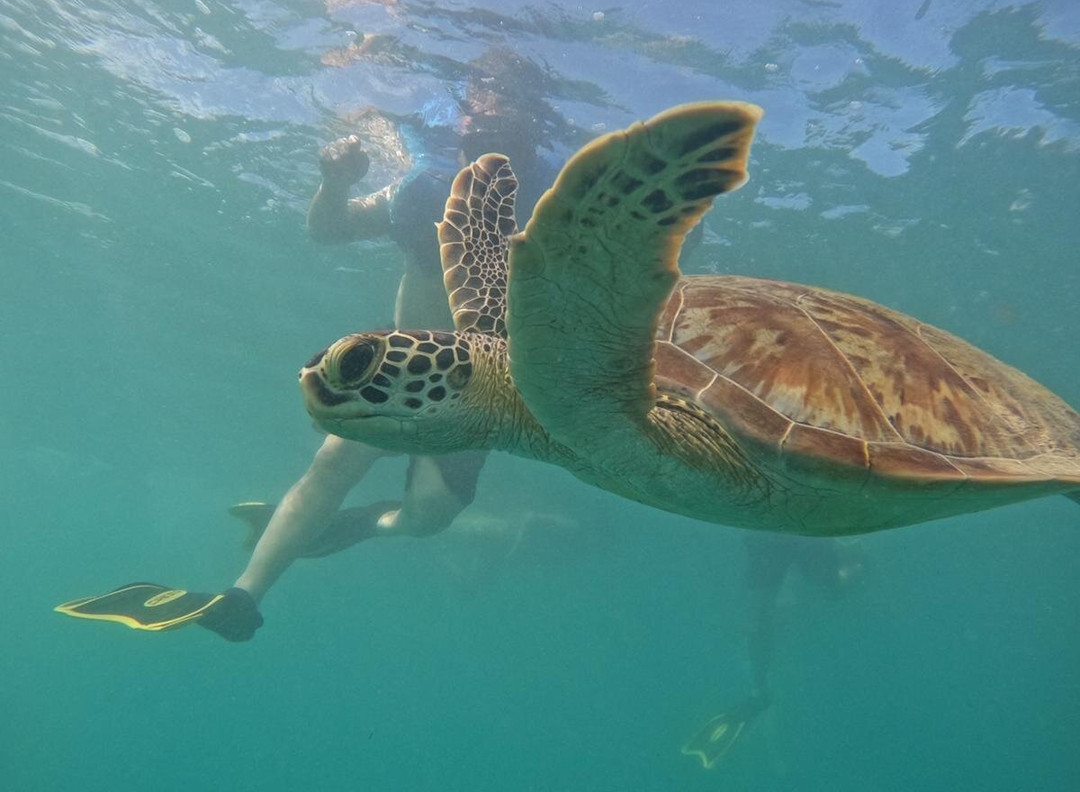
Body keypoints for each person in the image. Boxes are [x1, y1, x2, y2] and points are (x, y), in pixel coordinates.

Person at [55, 49, 562, 641]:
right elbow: (330, 228)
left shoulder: (557, 204)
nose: (480, 116)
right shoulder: (423, 188)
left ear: (531, 119)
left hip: (482, 389)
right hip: (401, 377)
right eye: (476, 99)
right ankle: (242, 596)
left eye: (499, 101)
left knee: (430, 517)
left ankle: (365, 525)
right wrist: (334, 181)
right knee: (333, 462)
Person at [682, 534, 865, 769]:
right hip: (779, 537)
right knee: (762, 611)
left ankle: (759, 693)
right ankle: (759, 693)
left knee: (763, 610)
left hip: (776, 536)